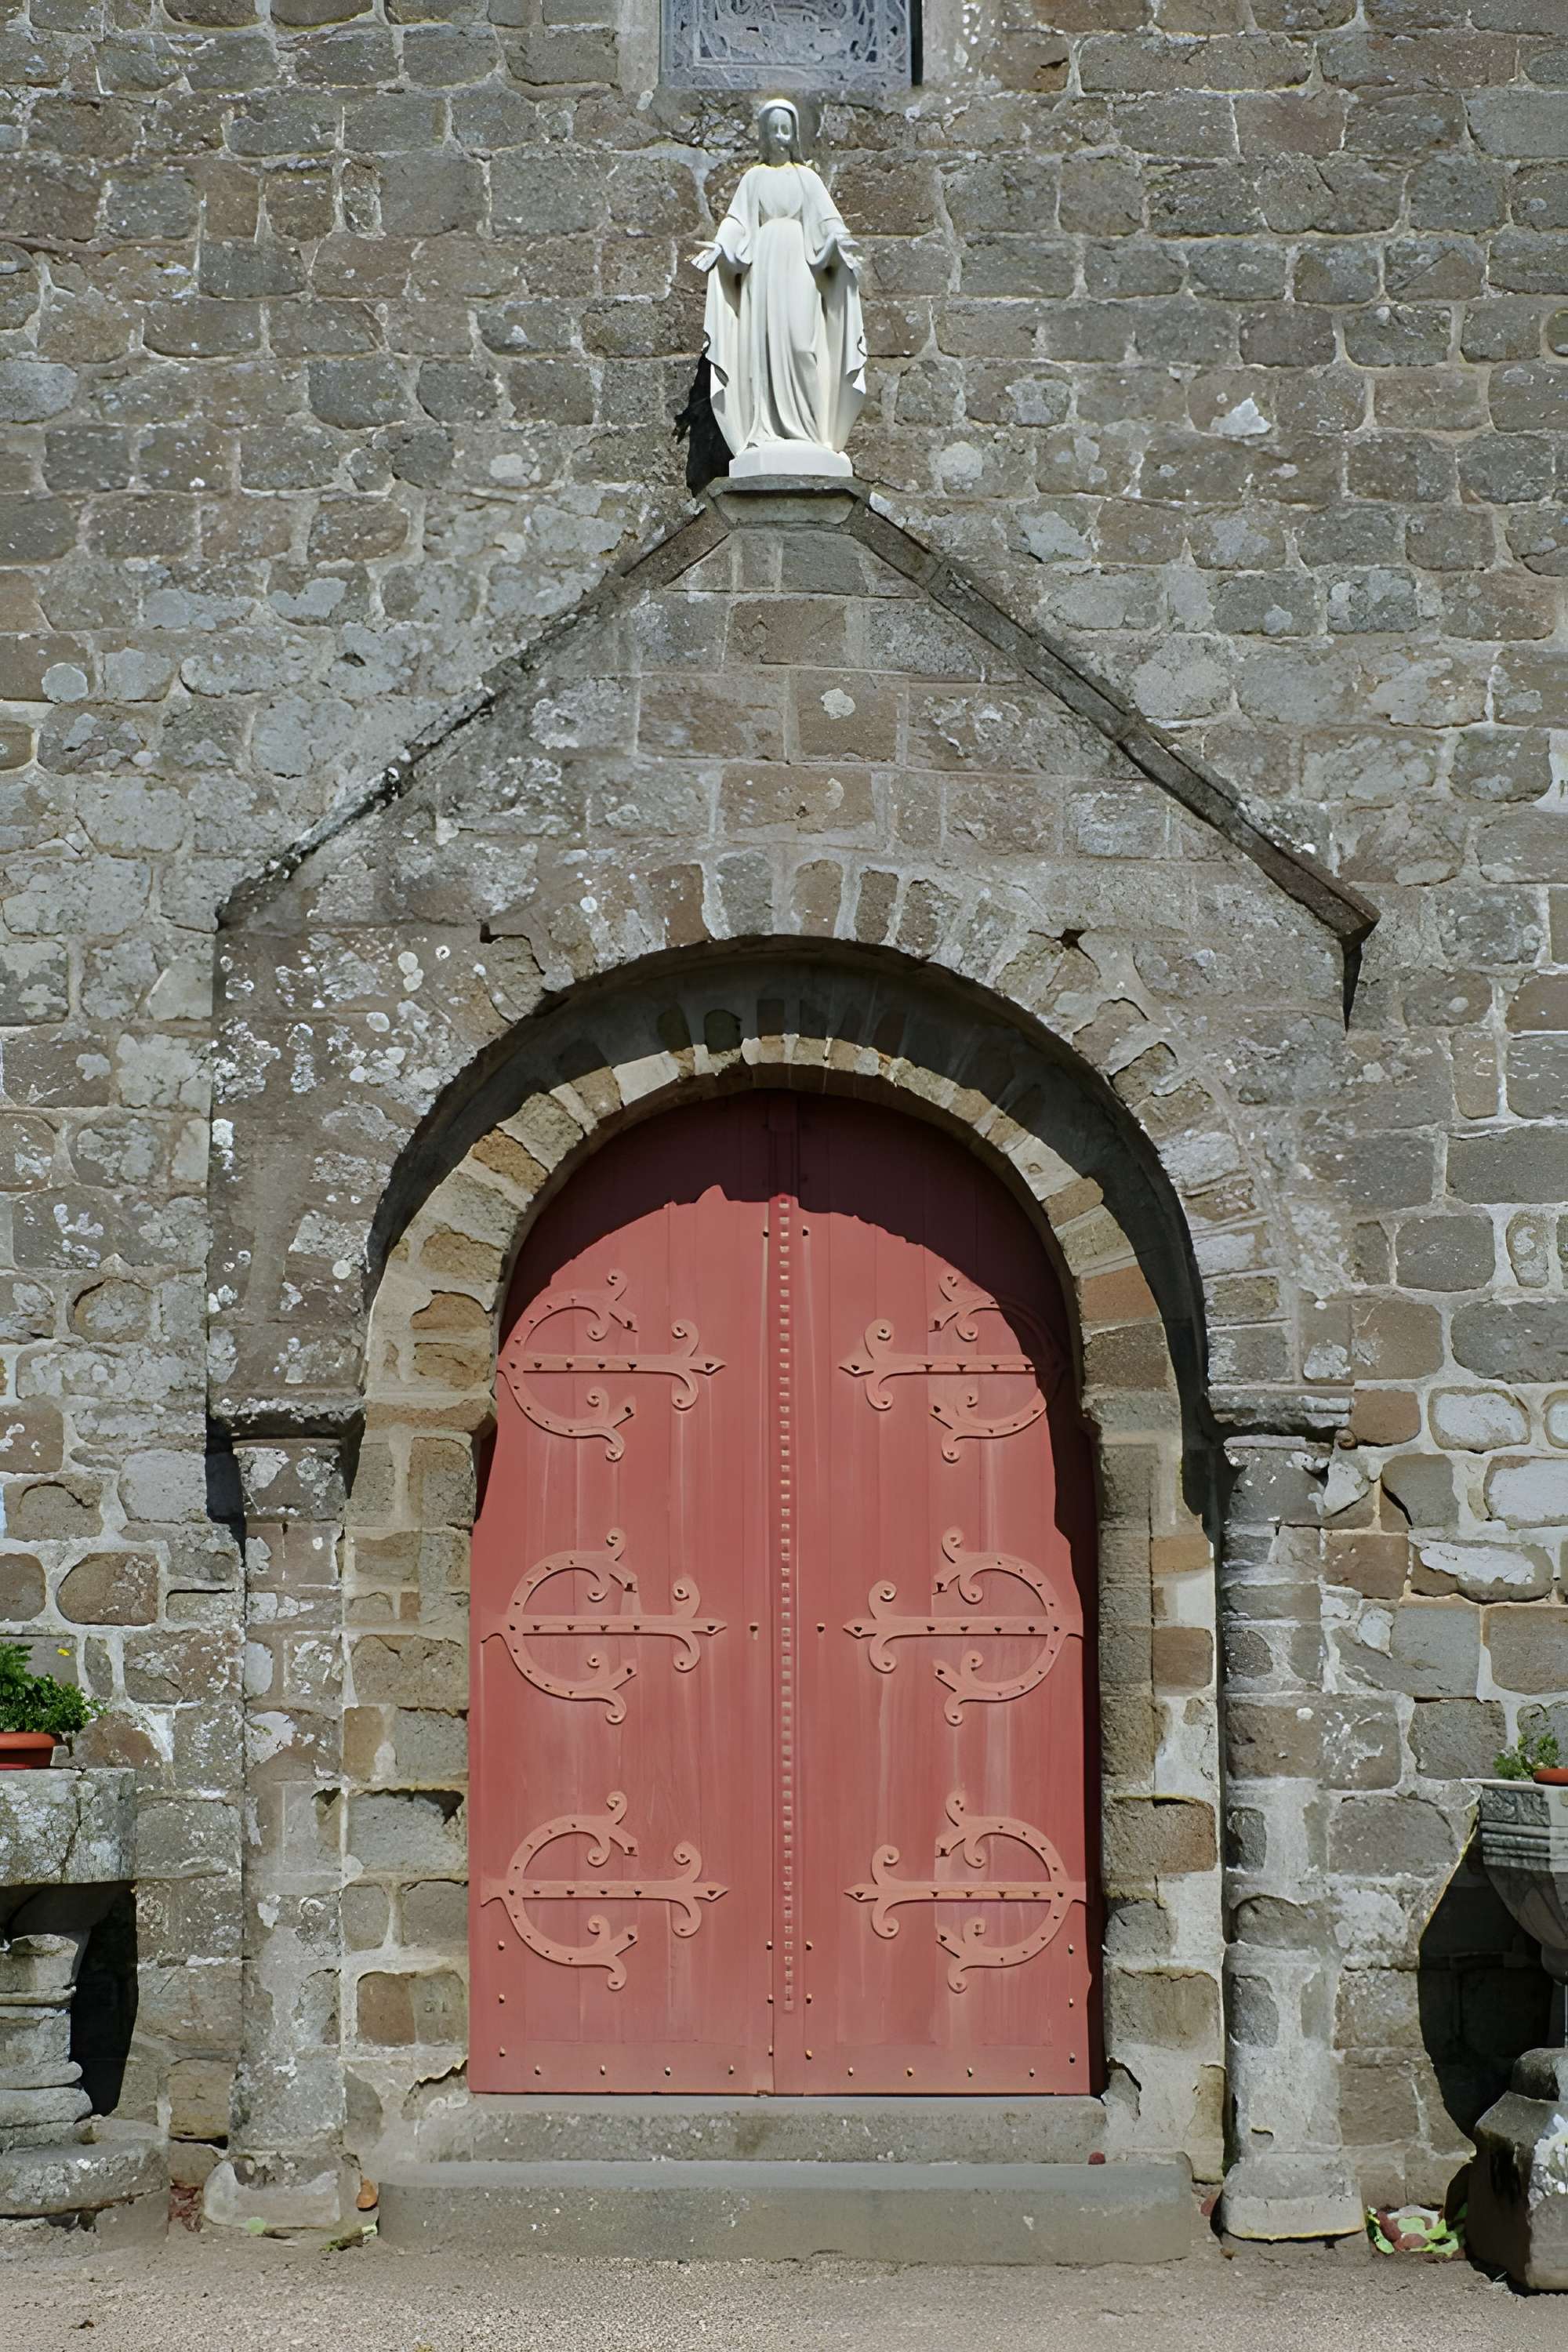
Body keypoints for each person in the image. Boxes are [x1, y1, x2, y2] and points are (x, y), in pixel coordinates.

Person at [694, 98, 867, 477]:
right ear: (765, 134)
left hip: (800, 267)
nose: (780, 135)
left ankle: (809, 431)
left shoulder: (807, 179)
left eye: (785, 128)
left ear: (794, 134)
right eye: (773, 128)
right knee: (764, 346)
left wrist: (842, 243)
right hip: (764, 269)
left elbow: (829, 221)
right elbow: (737, 221)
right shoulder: (754, 179)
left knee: (801, 345)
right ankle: (768, 429)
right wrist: (721, 248)